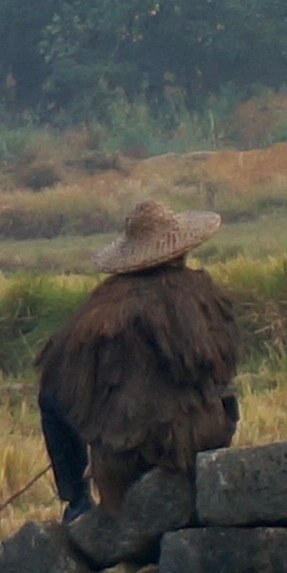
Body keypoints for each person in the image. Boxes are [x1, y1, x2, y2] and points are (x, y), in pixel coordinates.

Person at [38, 199, 241, 515]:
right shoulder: (201, 291)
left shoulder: (101, 308)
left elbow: (55, 386)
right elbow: (221, 368)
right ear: (181, 249)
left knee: (50, 398)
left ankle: (76, 502)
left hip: (123, 462)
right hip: (203, 439)